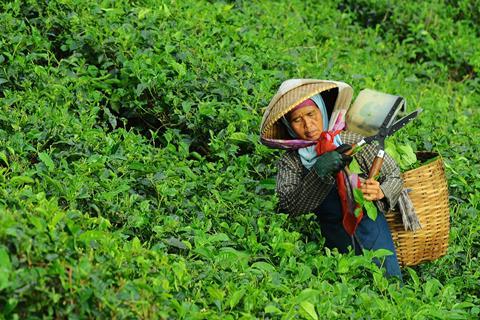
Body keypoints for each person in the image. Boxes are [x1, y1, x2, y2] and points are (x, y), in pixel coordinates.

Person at [261, 80, 403, 279]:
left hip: (373, 231)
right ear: (288, 125)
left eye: (311, 114)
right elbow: (288, 205)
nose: (308, 125)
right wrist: (318, 173)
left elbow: (393, 174)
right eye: (297, 120)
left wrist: (381, 191)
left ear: (322, 111)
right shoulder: (291, 161)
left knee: (390, 284)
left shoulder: (349, 140)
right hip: (335, 240)